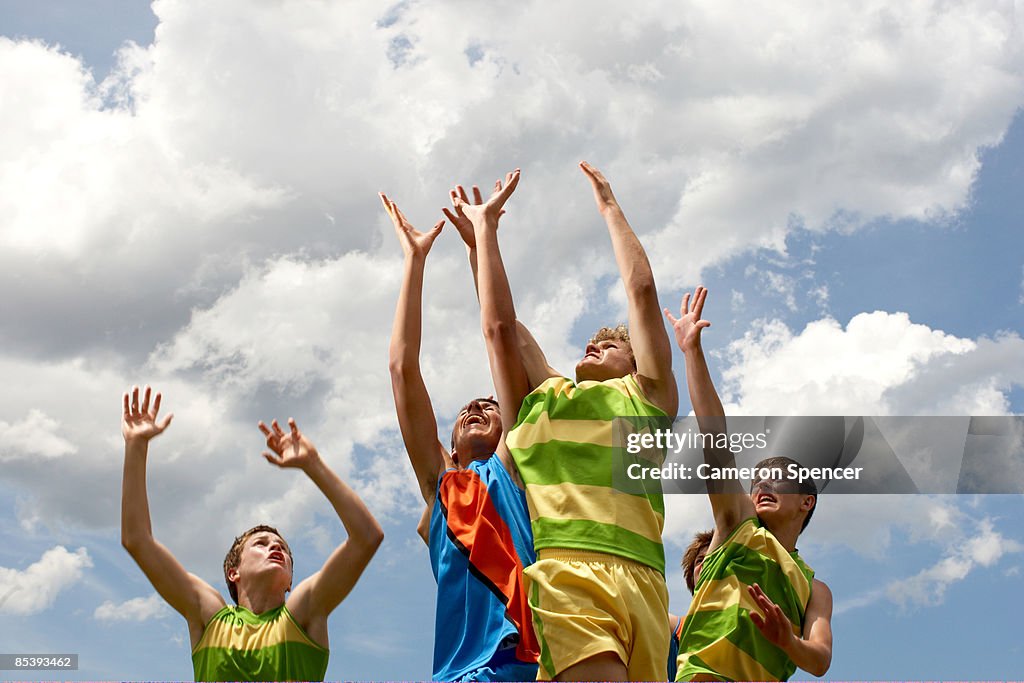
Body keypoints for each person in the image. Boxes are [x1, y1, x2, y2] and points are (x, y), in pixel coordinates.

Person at [461, 163, 679, 681]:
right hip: (567, 574)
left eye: (612, 345)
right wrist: (482, 239)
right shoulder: (545, 400)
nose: (595, 346)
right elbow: (501, 328)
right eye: (592, 342)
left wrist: (608, 206)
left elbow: (642, 291)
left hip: (647, 584)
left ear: (634, 362)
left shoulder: (647, 400)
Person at [120, 386, 383, 682]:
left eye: (283, 548)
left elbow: (366, 537)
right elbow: (137, 540)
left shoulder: (302, 613)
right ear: (234, 572)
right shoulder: (209, 616)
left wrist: (313, 464)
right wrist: (136, 445)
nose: (276, 549)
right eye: (261, 543)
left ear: (290, 583)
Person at [382, 191, 539, 681]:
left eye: (490, 405)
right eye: (466, 408)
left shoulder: (515, 467)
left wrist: (480, 247)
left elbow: (501, 334)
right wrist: (414, 261)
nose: (476, 406)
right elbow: (402, 370)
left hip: (524, 661)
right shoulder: (442, 489)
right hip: (455, 674)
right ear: (448, 447)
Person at [665, 287, 833, 681]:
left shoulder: (815, 589)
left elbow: (820, 660)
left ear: (806, 501)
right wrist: (692, 351)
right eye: (757, 481)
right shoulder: (737, 525)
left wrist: (787, 641)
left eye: (777, 480)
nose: (762, 486)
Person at [667, 530, 713, 681]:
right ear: (691, 579)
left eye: (714, 557)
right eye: (699, 560)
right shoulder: (675, 627)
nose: (705, 563)